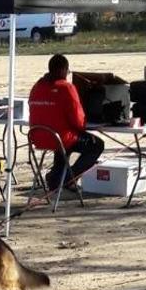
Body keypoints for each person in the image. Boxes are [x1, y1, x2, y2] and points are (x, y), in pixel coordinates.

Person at [28, 54, 105, 191]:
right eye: (67, 72)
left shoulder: (37, 86)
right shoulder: (66, 88)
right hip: (60, 139)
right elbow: (78, 121)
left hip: (38, 137)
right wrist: (88, 124)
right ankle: (68, 178)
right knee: (96, 145)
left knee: (64, 144)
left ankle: (55, 179)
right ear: (64, 70)